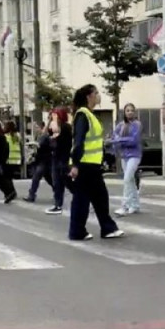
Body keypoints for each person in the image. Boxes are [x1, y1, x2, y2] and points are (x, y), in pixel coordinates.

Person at [68, 84, 124, 241]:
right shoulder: (83, 115)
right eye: (96, 93)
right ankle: (82, 231)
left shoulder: (89, 114)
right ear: (89, 96)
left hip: (92, 164)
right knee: (85, 200)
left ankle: (103, 228)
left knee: (97, 198)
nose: (99, 96)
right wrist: (75, 165)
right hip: (85, 164)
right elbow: (78, 142)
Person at [112, 103, 144, 214]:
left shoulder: (137, 124)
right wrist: (118, 140)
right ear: (124, 112)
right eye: (127, 110)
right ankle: (135, 205)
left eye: (132, 110)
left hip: (134, 155)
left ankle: (125, 206)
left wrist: (120, 140)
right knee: (130, 180)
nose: (130, 112)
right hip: (124, 156)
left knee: (127, 179)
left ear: (134, 112)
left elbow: (134, 140)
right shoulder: (121, 125)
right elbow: (114, 136)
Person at [45, 108, 73, 215]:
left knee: (68, 181)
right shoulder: (56, 127)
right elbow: (47, 132)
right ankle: (58, 205)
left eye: (55, 115)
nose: (53, 118)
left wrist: (55, 120)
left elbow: (56, 133)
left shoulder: (65, 127)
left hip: (63, 159)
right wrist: (50, 121)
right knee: (57, 183)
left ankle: (83, 198)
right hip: (56, 158)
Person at [25, 121, 54, 203]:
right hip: (43, 160)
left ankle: (31, 195)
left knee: (36, 177)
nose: (35, 128)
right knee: (48, 178)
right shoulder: (40, 136)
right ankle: (57, 191)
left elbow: (42, 146)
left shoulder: (45, 136)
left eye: (36, 127)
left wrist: (36, 145)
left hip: (44, 161)